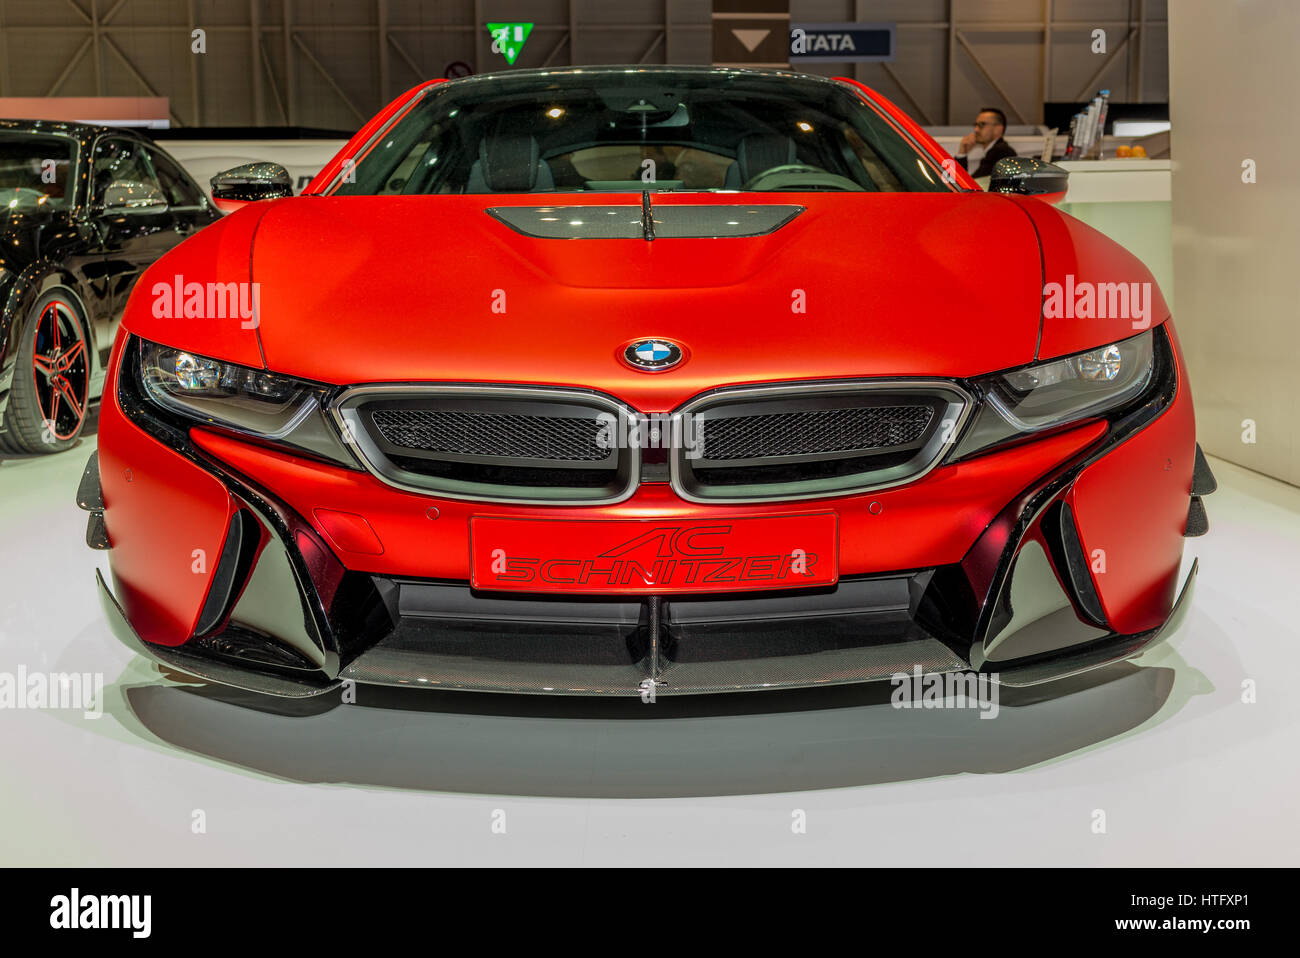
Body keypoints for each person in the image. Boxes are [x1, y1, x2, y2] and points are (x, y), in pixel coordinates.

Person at [954, 107, 1017, 178]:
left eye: (982, 125)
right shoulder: (997, 151)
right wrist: (962, 152)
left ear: (998, 129)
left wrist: (962, 154)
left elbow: (973, 184)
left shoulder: (1000, 152)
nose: (976, 129)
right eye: (976, 125)